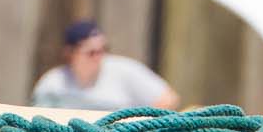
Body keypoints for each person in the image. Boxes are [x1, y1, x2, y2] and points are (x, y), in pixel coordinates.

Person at [30, 19, 179, 111]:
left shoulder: (123, 70)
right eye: (91, 52)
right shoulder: (53, 83)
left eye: (103, 50)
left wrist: (139, 127)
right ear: (70, 53)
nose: (99, 57)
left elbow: (168, 98)